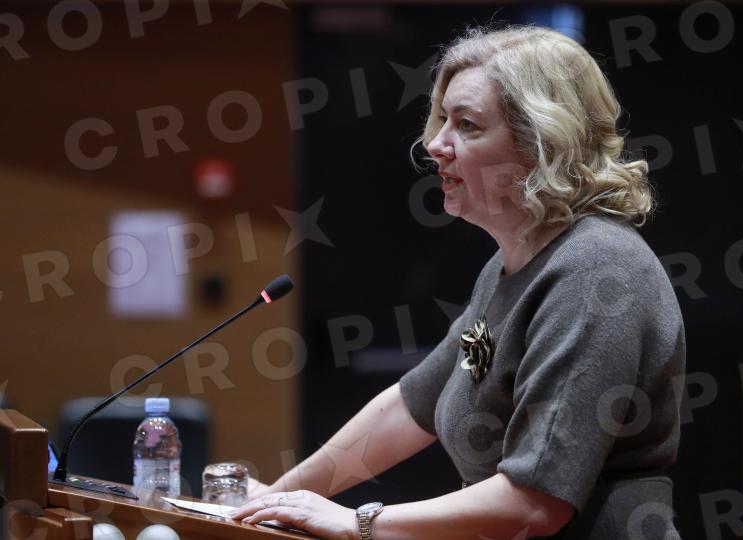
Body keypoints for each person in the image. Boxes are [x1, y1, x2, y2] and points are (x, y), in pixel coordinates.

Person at [231, 24, 685, 539]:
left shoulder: (596, 270)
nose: (435, 144)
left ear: (543, 142)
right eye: (443, 119)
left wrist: (359, 523)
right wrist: (276, 498)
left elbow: (535, 503)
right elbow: (411, 407)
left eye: (467, 125)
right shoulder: (512, 264)